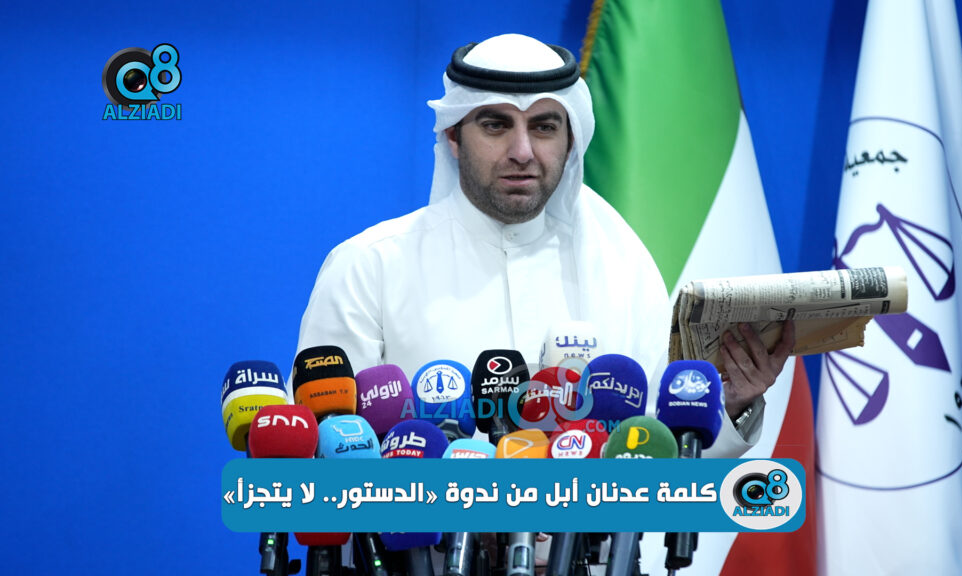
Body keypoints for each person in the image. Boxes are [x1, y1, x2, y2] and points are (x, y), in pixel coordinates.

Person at [294, 32, 793, 572]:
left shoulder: (621, 263)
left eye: (544, 127)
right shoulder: (368, 267)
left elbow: (655, 454)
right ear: (454, 136)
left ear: (571, 139)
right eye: (496, 125)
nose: (523, 151)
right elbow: (328, 464)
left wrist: (729, 405)